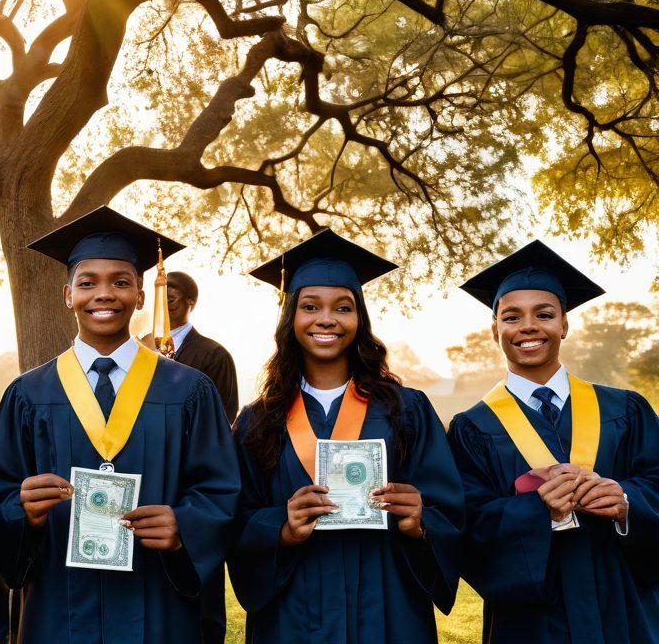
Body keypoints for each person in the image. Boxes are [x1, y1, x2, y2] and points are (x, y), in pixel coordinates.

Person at [0, 206, 240, 644]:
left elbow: (220, 490)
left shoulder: (189, 390)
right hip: (58, 606)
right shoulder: (28, 394)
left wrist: (185, 527)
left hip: (158, 603)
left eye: (121, 282)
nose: (104, 294)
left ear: (141, 295)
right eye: (87, 283)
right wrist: (22, 513)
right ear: (68, 295)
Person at [229, 228, 464, 644]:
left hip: (387, 607)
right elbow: (235, 521)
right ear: (291, 318)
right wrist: (280, 528)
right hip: (292, 614)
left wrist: (420, 519)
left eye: (343, 307)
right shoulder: (257, 421)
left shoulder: (406, 410)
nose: (326, 319)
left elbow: (451, 510)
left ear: (359, 319)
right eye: (310, 306)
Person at [448, 240, 659, 644]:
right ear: (495, 329)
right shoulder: (471, 429)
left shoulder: (625, 409)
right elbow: (464, 526)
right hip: (533, 623)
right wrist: (536, 511)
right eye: (512, 316)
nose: (528, 326)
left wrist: (628, 502)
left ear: (564, 324)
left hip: (624, 609)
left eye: (544, 314)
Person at [163, 270, 239, 644]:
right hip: (146, 488)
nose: (166, 303)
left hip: (190, 486)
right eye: (161, 295)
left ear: (190, 304)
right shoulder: (136, 349)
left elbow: (223, 422)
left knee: (197, 605)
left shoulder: (212, 354)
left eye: (173, 297)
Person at [165, 271, 239, 419]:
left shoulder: (215, 355)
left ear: (191, 301)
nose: (164, 305)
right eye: (160, 300)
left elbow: (223, 415)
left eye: (171, 299)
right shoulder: (142, 346)